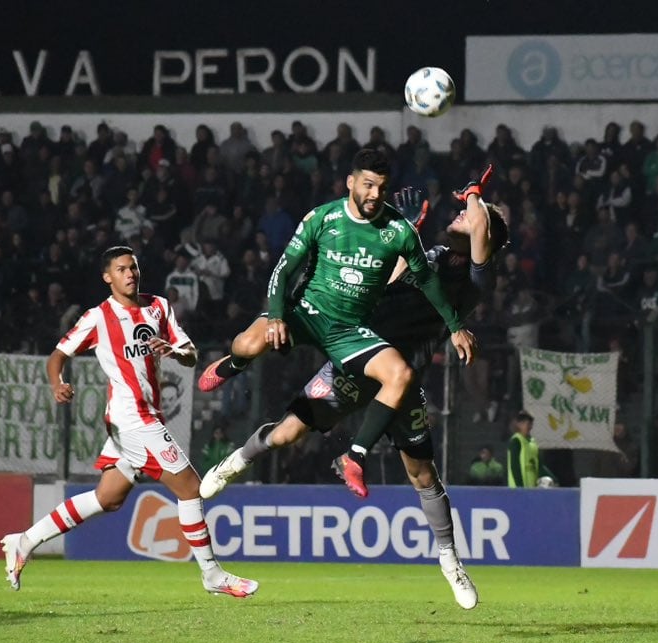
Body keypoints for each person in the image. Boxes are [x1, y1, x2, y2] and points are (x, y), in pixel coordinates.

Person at [198, 181, 509, 610]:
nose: (463, 215)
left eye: (478, 219)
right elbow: (387, 281)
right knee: (288, 434)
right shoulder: (428, 254)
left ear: (488, 237)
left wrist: (475, 194)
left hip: (402, 379)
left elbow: (478, 224)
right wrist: (407, 232)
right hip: (361, 357)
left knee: (423, 476)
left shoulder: (476, 275)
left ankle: (450, 561)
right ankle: (236, 461)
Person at [196, 149, 476, 497]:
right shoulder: (322, 218)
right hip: (304, 313)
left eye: (382, 188)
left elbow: (428, 281)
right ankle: (234, 363)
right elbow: (284, 270)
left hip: (348, 331)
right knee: (248, 345)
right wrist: (278, 316)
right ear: (350, 183)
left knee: (400, 375)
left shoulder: (399, 231)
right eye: (369, 185)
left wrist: (454, 325)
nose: (375, 194)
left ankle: (349, 457)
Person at [0, 246, 257, 599]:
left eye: (133, 267)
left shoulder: (159, 307)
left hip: (144, 417)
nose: (130, 274)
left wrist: (173, 350)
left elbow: (191, 354)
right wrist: (57, 383)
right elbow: (58, 355)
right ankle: (211, 574)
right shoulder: (98, 317)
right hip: (131, 419)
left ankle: (24, 540)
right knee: (190, 488)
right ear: (108, 276)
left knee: (108, 498)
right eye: (121, 269)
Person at [506, 411, 547, 488]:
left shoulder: (533, 443)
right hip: (518, 488)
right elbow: (515, 466)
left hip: (532, 488)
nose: (530, 427)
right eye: (527, 424)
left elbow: (539, 465)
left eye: (531, 424)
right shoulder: (516, 441)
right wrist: (520, 488)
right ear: (519, 424)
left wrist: (551, 477)